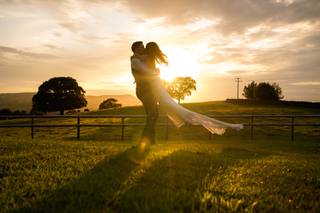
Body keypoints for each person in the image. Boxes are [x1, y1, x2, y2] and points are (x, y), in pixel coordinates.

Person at [141, 42, 244, 135]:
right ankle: (184, 119)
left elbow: (137, 60)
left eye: (146, 47)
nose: (144, 48)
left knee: (175, 108)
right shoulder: (151, 57)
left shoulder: (147, 57)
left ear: (149, 49)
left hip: (156, 87)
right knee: (174, 108)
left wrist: (135, 56)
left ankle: (185, 119)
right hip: (157, 86)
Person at [130, 41, 160, 145]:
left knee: (153, 114)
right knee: (153, 114)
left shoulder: (139, 59)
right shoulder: (135, 61)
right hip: (143, 91)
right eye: (142, 47)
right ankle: (146, 139)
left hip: (148, 90)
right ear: (136, 49)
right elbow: (147, 72)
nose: (144, 48)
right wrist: (156, 71)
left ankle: (149, 140)